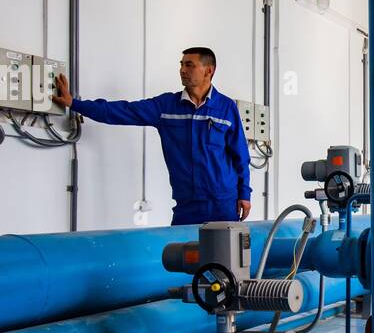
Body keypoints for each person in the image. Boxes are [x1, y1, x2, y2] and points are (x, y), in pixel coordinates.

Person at [53, 47, 251, 225]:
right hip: (187, 205)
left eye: (190, 65)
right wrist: (75, 103)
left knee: (227, 263)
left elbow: (240, 155)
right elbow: (121, 111)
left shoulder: (226, 108)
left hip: (223, 203)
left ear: (209, 70)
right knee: (184, 263)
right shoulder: (166, 107)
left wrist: (244, 193)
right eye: (181, 65)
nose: (182, 70)